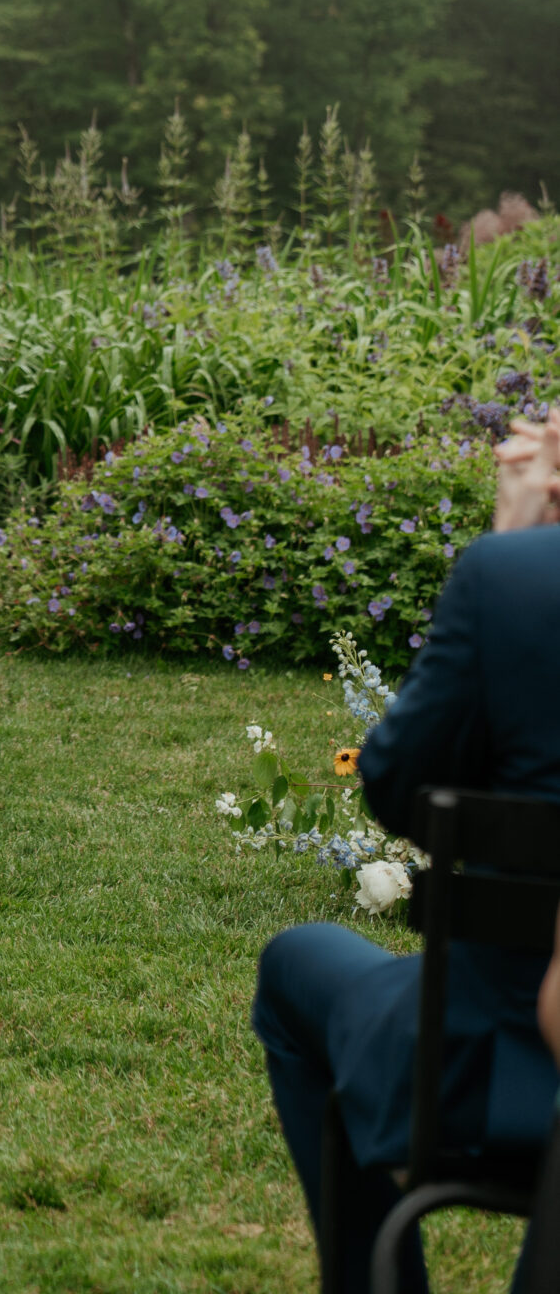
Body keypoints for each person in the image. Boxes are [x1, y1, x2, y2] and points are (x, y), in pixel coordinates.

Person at [252, 407, 560, 1293]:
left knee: (300, 962)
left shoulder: (515, 576)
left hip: (500, 1065)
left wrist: (507, 545)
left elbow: (397, 787)